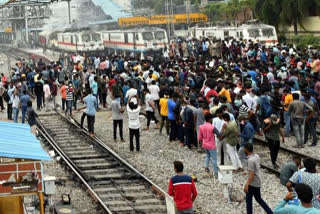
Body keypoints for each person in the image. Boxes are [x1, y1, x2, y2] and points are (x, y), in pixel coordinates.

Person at [243, 144, 273, 214]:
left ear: (246, 150)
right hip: (257, 181)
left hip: (252, 183)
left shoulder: (250, 160)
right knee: (258, 199)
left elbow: (252, 174)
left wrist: (247, 184)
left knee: (249, 201)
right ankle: (270, 212)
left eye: (244, 148)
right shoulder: (256, 156)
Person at [198, 113, 221, 178]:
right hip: (211, 145)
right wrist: (223, 129)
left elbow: (199, 138)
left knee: (207, 156)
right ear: (210, 119)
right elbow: (219, 134)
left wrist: (200, 145)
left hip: (204, 144)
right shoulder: (212, 127)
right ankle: (216, 173)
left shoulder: (201, 126)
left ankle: (206, 168)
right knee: (214, 159)